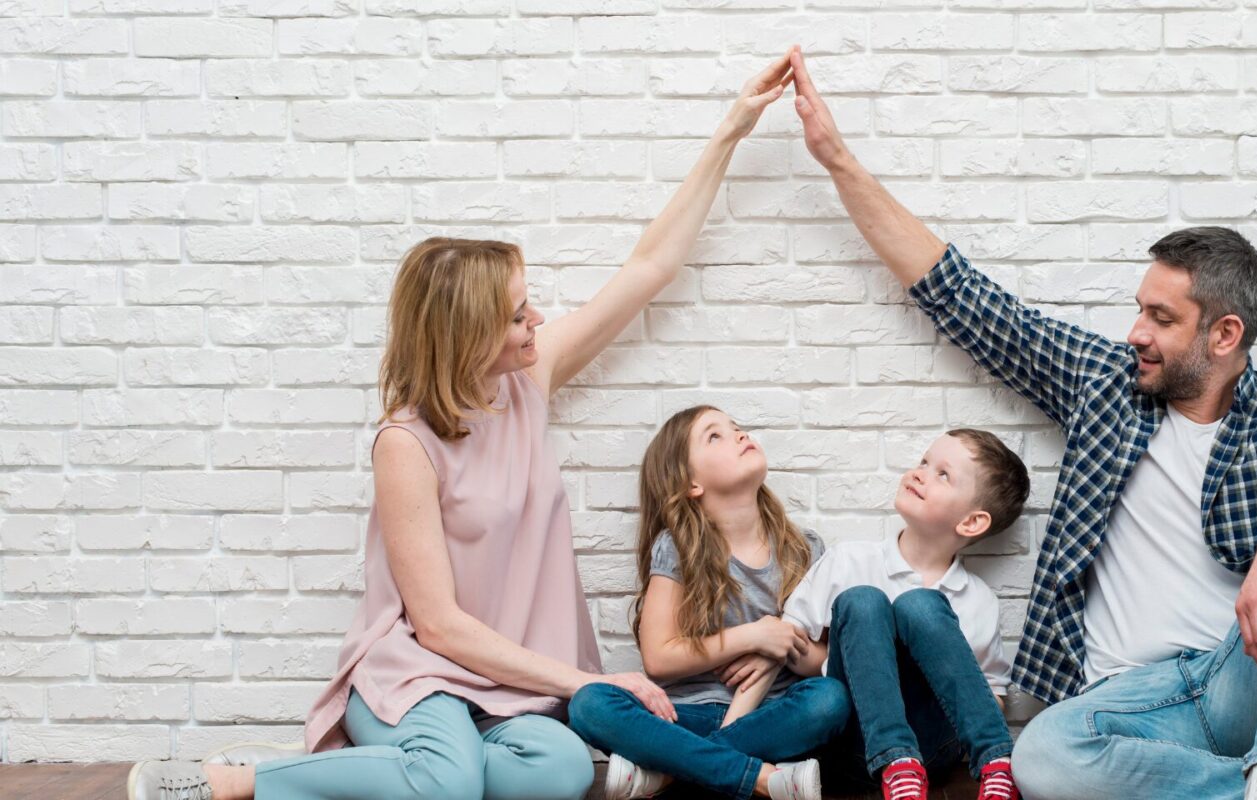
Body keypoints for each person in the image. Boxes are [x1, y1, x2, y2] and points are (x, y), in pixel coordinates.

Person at [125, 51, 800, 800]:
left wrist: (731, 131)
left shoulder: (528, 380)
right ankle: (237, 780)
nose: (536, 319)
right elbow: (439, 627)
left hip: (514, 686)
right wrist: (589, 678)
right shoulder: (405, 444)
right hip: (423, 675)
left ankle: (394, 774)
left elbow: (650, 268)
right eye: (517, 313)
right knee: (448, 783)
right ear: (468, 335)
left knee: (561, 770)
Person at [783, 47, 1257, 800]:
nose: (1136, 332)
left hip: (1240, 676)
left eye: (1161, 318)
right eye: (1139, 309)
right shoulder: (1106, 385)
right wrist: (837, 161)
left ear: (1224, 336)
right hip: (1127, 705)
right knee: (1043, 760)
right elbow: (963, 297)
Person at [566, 405, 850, 800]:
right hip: (684, 716)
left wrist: (780, 646)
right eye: (714, 435)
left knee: (830, 700)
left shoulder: (805, 548)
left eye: (736, 427)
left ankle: (672, 775)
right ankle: (761, 779)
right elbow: (659, 659)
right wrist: (755, 634)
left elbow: (823, 662)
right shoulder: (677, 548)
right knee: (589, 703)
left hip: (773, 714)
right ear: (691, 484)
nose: (739, 434)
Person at [779, 430, 1028, 800]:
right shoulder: (850, 560)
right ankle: (896, 762)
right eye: (924, 462)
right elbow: (790, 642)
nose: (919, 472)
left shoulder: (977, 600)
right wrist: (855, 656)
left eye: (943, 474)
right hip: (852, 746)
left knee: (920, 605)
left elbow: (992, 694)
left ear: (972, 523)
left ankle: (996, 761)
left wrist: (940, 671)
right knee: (863, 601)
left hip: (932, 749)